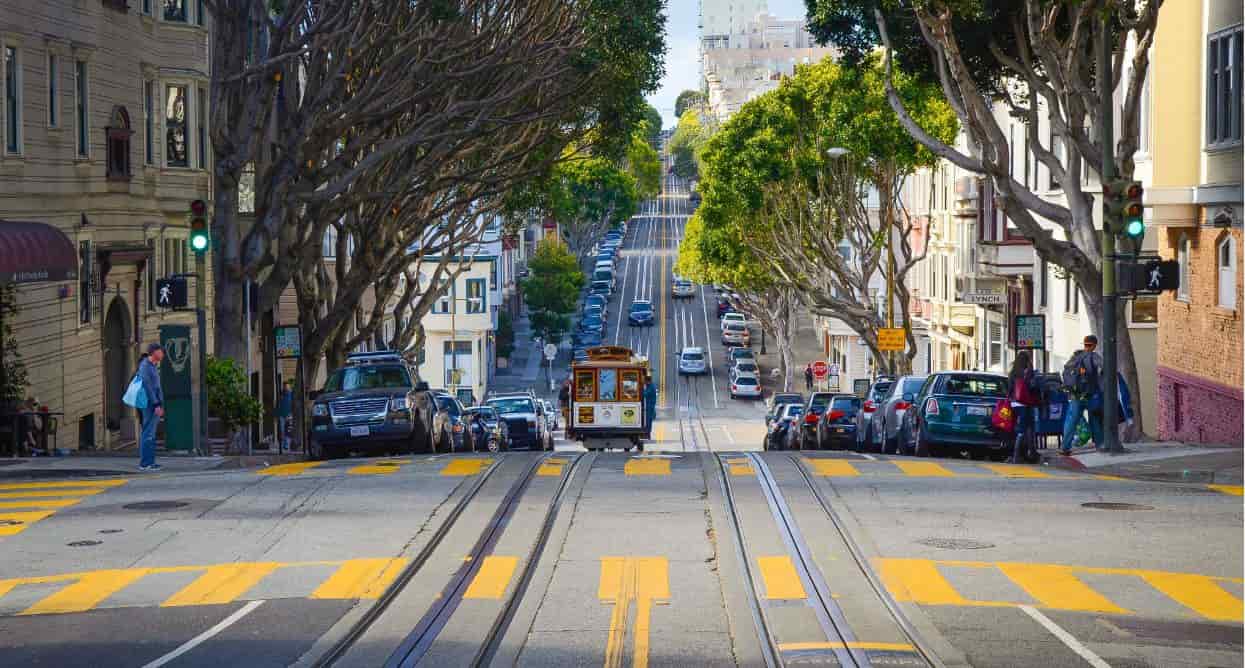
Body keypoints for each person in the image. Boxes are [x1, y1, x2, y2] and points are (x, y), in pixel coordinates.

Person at [1060, 335, 1103, 454]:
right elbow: (1104, 368)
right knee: (1095, 419)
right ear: (1094, 345)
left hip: (1075, 395)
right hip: (1090, 394)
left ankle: (1065, 447)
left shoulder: (1075, 356)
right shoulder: (1094, 357)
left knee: (1072, 421)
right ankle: (1100, 444)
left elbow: (1066, 371)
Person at [1006, 351, 1041, 464]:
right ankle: (1021, 455)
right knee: (1028, 428)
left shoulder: (1013, 372)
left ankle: (1025, 453)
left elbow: (1010, 388)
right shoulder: (1028, 372)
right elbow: (1033, 387)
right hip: (1025, 403)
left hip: (1015, 404)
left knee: (1022, 428)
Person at [137, 343, 165, 471]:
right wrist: (156, 404)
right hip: (149, 404)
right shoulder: (145, 366)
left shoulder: (152, 366)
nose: (163, 354)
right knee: (148, 433)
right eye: (161, 351)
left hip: (154, 403)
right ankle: (145, 463)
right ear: (154, 352)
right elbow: (148, 388)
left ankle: (150, 461)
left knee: (151, 433)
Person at [274, 379, 294, 453]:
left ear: (289, 386)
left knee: (288, 430)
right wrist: (276, 414)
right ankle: (282, 445)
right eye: (284, 386)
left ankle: (286, 444)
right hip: (281, 415)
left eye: (287, 386)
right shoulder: (280, 394)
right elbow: (277, 405)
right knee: (281, 430)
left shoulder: (292, 394)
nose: (285, 387)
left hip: (289, 414)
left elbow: (294, 405)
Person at [642, 374, 657, 441]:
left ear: (647, 381)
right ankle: (646, 434)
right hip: (648, 406)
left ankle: (647, 434)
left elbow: (645, 394)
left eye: (644, 380)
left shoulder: (651, 387)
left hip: (649, 407)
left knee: (648, 421)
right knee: (647, 421)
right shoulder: (649, 386)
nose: (643, 382)